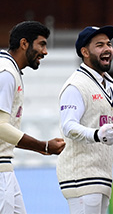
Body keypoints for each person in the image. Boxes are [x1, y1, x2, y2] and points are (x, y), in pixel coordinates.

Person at [56, 25, 113, 214]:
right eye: (99, 45)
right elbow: (68, 126)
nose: (107, 49)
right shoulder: (76, 85)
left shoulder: (109, 86)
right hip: (81, 176)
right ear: (85, 52)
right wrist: (97, 134)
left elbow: (109, 135)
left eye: (109, 44)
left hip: (102, 176)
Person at [0, 21, 66, 214]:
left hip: (5, 168)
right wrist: (43, 146)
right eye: (41, 44)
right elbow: (1, 127)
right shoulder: (6, 73)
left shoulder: (10, 70)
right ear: (24, 44)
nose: (45, 52)